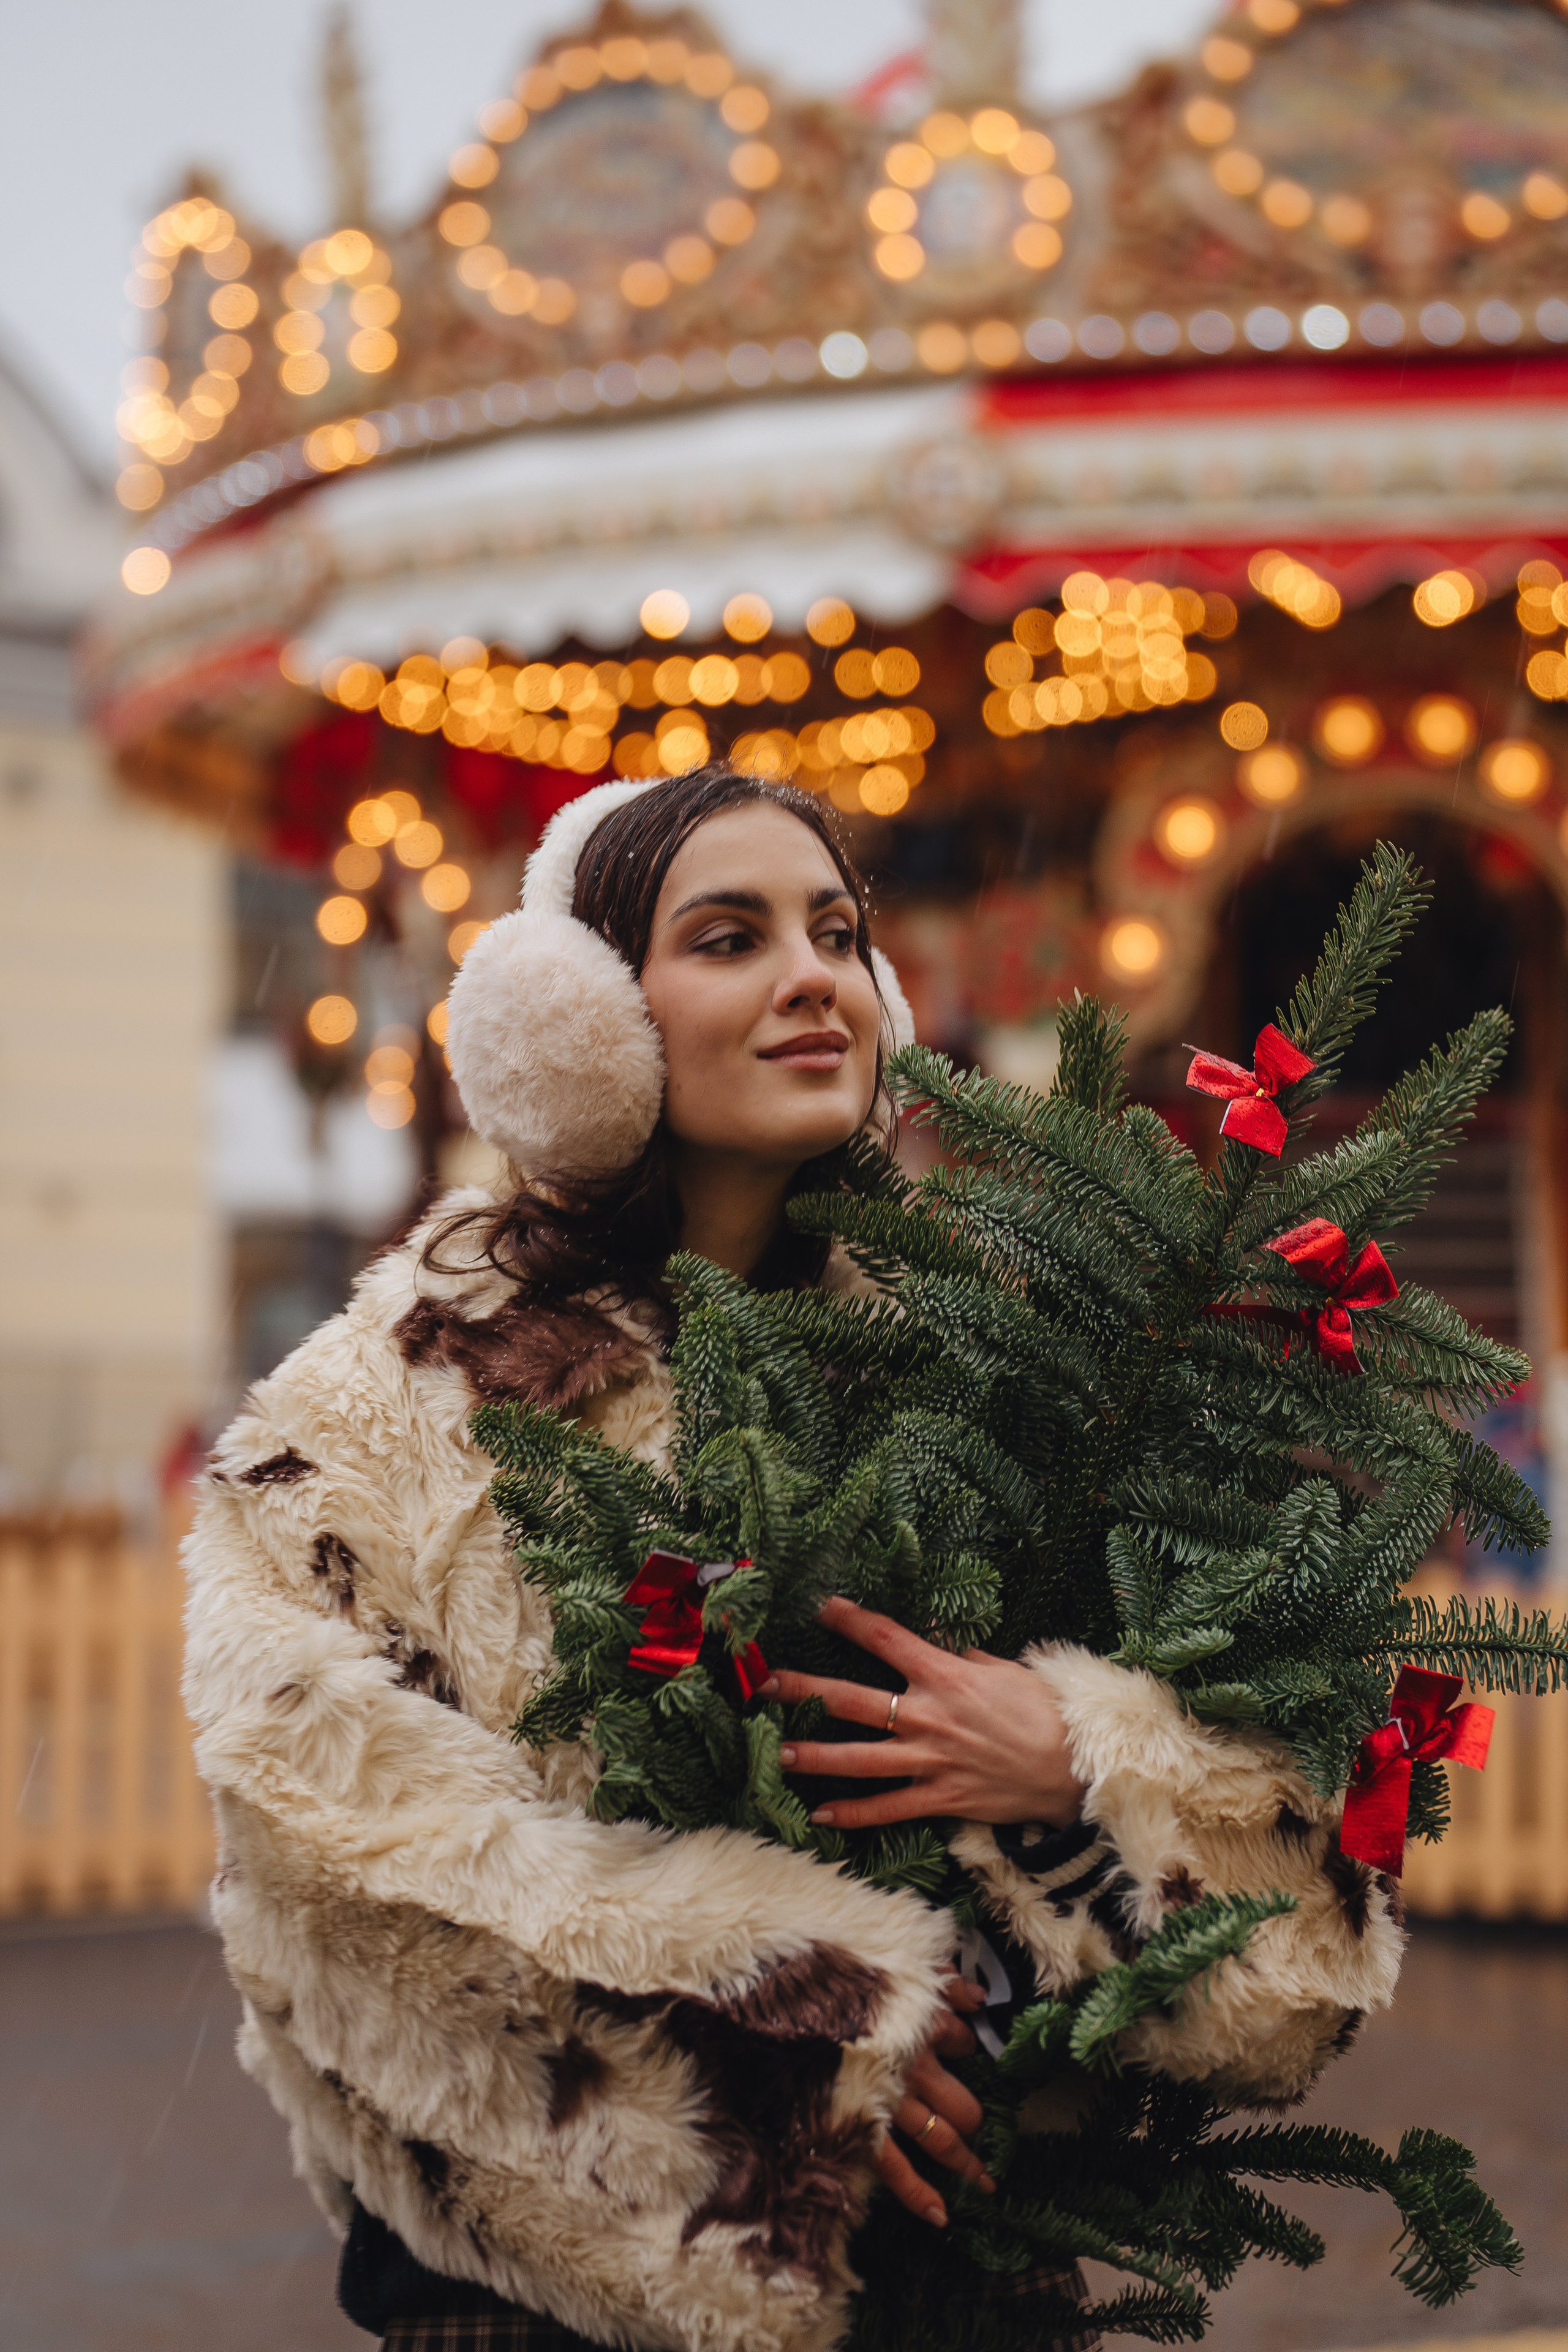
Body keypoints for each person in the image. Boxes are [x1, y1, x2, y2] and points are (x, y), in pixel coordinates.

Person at [184, 767, 1403, 2352]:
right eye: (730, 936)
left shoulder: (982, 1371)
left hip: (966, 2296)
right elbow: (322, 1852)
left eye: (835, 931)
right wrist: (801, 2073)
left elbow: (1294, 1901)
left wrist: (1087, 1762)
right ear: (585, 1020)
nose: (812, 975)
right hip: (545, 2312)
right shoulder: (391, 1404)